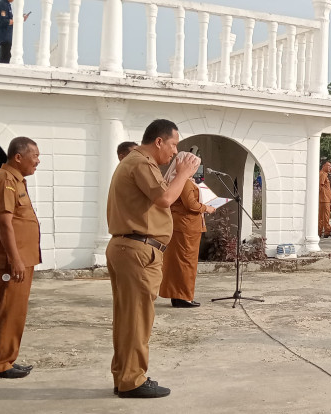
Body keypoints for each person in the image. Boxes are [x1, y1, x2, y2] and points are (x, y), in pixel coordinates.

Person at [107, 119, 199, 398]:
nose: (174, 153)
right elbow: (164, 200)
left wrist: (173, 175)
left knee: (129, 319)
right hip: (137, 250)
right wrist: (183, 172)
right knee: (136, 319)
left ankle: (125, 375)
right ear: (158, 141)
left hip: (130, 248)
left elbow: (156, 196)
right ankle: (132, 380)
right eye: (172, 145)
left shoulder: (138, 163)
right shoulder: (141, 162)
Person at [0, 136, 41, 379]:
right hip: (10, 261)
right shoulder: (5, 180)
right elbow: (5, 224)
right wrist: (15, 259)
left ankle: (7, 359)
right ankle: (0, 364)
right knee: (7, 310)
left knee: (15, 311)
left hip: (20, 259)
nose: (38, 162)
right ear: (19, 157)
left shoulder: (15, 180)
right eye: (35, 156)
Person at [159, 154, 215, 309]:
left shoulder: (184, 181)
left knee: (181, 262)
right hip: (185, 227)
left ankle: (179, 296)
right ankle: (182, 297)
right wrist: (207, 208)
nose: (195, 169)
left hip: (185, 226)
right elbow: (190, 204)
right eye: (194, 165)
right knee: (185, 262)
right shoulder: (182, 182)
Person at [318, 160, 331, 239]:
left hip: (325, 199)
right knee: (324, 216)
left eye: (330, 166)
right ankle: (325, 232)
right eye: (328, 166)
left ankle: (321, 232)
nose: (329, 167)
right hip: (323, 199)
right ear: (323, 166)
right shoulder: (322, 174)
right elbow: (320, 186)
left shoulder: (324, 174)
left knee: (322, 216)